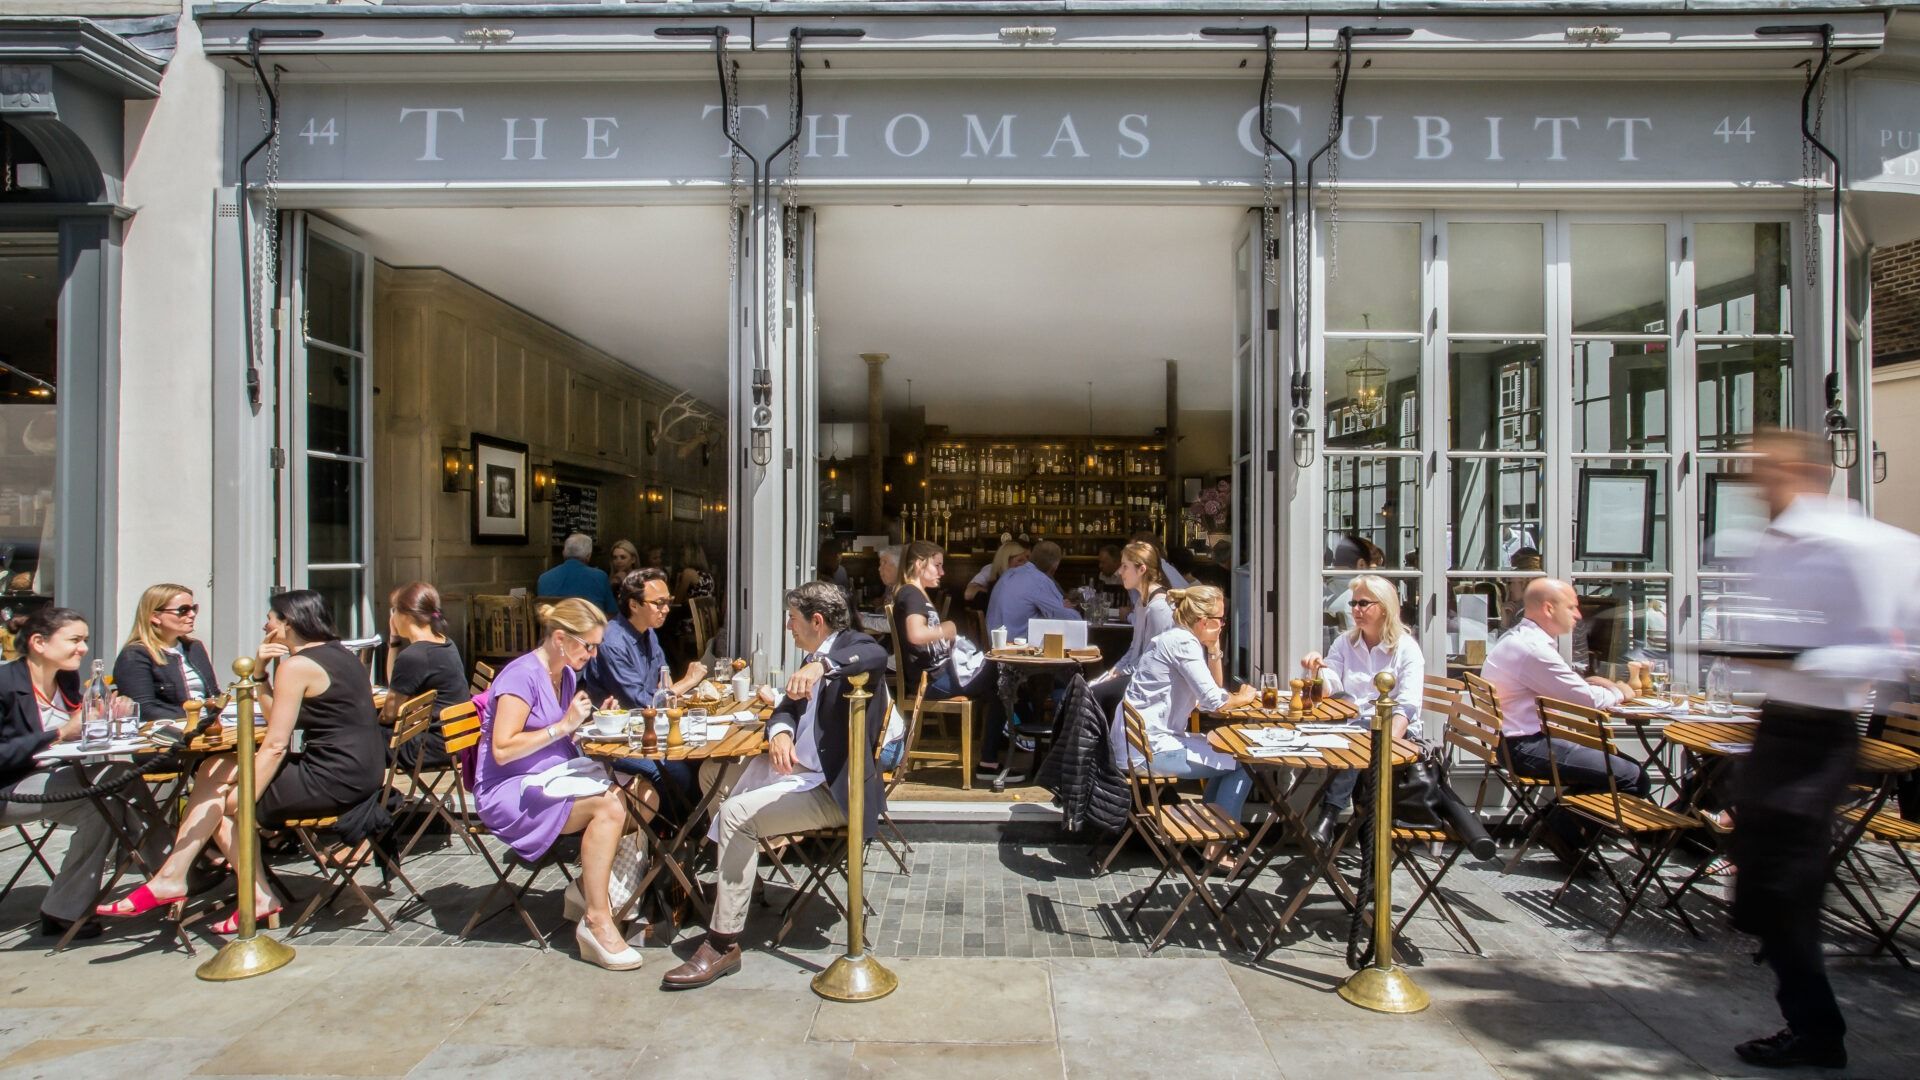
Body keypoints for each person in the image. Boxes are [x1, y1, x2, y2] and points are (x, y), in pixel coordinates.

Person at [1723, 428, 1920, 1070]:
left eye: (1764, 470)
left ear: (1802, 472)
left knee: (1783, 889)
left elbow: (1901, 651)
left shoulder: (1865, 544)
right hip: (1776, 725)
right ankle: (1809, 1017)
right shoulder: (1769, 546)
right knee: (1760, 889)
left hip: (1823, 732)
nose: (1754, 482)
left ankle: (1817, 1031)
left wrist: (1804, 657)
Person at [99, 590, 388, 934]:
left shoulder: (297, 666)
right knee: (214, 768)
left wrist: (244, 796)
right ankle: (175, 877)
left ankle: (240, 891)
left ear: (288, 623)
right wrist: (262, 671)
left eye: (271, 617)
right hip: (361, 771)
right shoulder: (339, 655)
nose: (265, 624)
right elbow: (278, 717)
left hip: (332, 778)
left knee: (221, 805)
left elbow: (277, 744)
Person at [660, 582, 889, 989]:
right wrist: (781, 732)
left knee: (734, 815)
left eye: (793, 619)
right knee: (713, 774)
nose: (788, 626)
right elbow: (785, 708)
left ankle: (722, 941)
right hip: (798, 770)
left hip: (835, 789)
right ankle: (743, 877)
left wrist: (823, 667)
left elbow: (875, 654)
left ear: (817, 622)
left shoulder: (849, 649)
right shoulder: (810, 658)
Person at [474, 599, 649, 970]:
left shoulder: (565, 674)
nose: (593, 653)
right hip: (512, 789)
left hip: (557, 778)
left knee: (645, 795)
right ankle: (597, 921)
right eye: (588, 645)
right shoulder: (520, 677)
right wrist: (565, 725)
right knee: (609, 806)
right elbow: (503, 750)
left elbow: (562, 736)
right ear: (560, 639)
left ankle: (586, 888)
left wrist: (596, 721)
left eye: (596, 645)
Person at [2, 609, 159, 940]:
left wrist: (109, 717)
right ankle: (169, 868)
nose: (84, 648)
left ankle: (63, 911)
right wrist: (58, 734)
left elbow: (81, 729)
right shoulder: (6, 685)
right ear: (39, 643)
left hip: (49, 781)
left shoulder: (67, 680)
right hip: (8, 789)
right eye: (74, 640)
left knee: (105, 804)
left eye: (84, 640)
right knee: (119, 777)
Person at [1479, 577, 1640, 863]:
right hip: (1522, 746)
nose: (1579, 615)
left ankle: (1552, 824)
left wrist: (1596, 686)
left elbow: (1567, 687)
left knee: (1622, 771)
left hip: (1512, 741)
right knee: (1631, 776)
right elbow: (1584, 700)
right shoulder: (1533, 649)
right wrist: (1621, 690)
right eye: (1573, 607)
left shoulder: (1521, 639)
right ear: (1548, 608)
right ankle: (1558, 830)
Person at [1110, 586, 1258, 868]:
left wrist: (1214, 650)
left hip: (1140, 743)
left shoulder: (1177, 640)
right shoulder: (1184, 644)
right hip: (1151, 750)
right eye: (1221, 620)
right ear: (1204, 622)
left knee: (1224, 753)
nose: (1223, 625)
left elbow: (1208, 698)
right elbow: (1215, 701)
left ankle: (1212, 839)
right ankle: (1217, 849)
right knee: (1242, 763)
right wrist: (1244, 697)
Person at [1299, 574, 1425, 848]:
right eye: (1353, 603)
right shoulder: (1346, 642)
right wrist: (1318, 669)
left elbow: (1408, 705)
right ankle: (1339, 823)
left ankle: (1329, 816)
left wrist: (1385, 744)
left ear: (1385, 607)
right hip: (1354, 729)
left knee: (1360, 744)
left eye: (1363, 603)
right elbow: (1333, 683)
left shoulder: (1406, 649)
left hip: (1394, 731)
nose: (1355, 609)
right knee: (1350, 741)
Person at [581, 567, 705, 807]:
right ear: (634, 605)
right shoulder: (612, 642)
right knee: (674, 772)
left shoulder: (648, 633)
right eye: (658, 603)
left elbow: (663, 682)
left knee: (699, 760)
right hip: (615, 741)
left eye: (668, 601)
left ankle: (692, 830)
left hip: (648, 731)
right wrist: (688, 682)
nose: (666, 609)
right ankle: (678, 835)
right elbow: (643, 701)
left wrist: (666, 693)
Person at [890, 541, 994, 774]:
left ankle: (992, 755)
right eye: (937, 565)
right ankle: (995, 754)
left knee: (997, 680)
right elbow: (916, 634)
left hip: (936, 676)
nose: (942, 572)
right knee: (1000, 674)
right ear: (919, 565)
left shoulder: (913, 594)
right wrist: (947, 629)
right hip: (932, 681)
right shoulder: (912, 595)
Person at [383, 582, 467, 770]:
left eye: (394, 610)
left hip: (428, 746)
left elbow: (388, 715)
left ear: (406, 615)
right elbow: (395, 684)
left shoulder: (415, 656)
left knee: (359, 739)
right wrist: (394, 640)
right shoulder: (445, 643)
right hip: (454, 740)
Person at [112, 582, 222, 721]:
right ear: (155, 616)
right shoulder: (135, 655)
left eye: (194, 608)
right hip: (168, 733)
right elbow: (144, 709)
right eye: (183, 610)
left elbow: (214, 694)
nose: (192, 614)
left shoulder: (194, 647)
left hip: (209, 726)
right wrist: (196, 719)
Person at [1090, 541, 1174, 715]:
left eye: (1124, 567)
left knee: (1096, 695)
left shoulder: (1159, 607)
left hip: (1153, 683)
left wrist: (1122, 673)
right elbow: (1135, 648)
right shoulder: (1141, 602)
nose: (1120, 572)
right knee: (1089, 689)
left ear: (1141, 569)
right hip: (1138, 674)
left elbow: (1154, 657)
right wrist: (1115, 670)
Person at [986, 540, 1081, 643]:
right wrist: (1067, 609)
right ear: (1054, 567)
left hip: (993, 648)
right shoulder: (1040, 581)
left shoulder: (1008, 574)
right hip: (1014, 651)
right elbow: (1072, 621)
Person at [538, 534, 617, 615]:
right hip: (588, 626)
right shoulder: (600, 577)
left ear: (563, 553)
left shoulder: (544, 578)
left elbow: (541, 613)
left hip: (554, 626)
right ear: (588, 556)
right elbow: (612, 612)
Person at [963, 541, 1027, 607]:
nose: (1025, 564)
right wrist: (994, 592)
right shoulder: (991, 570)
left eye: (1026, 559)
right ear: (1005, 560)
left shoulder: (1025, 573)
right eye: (1020, 560)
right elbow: (968, 593)